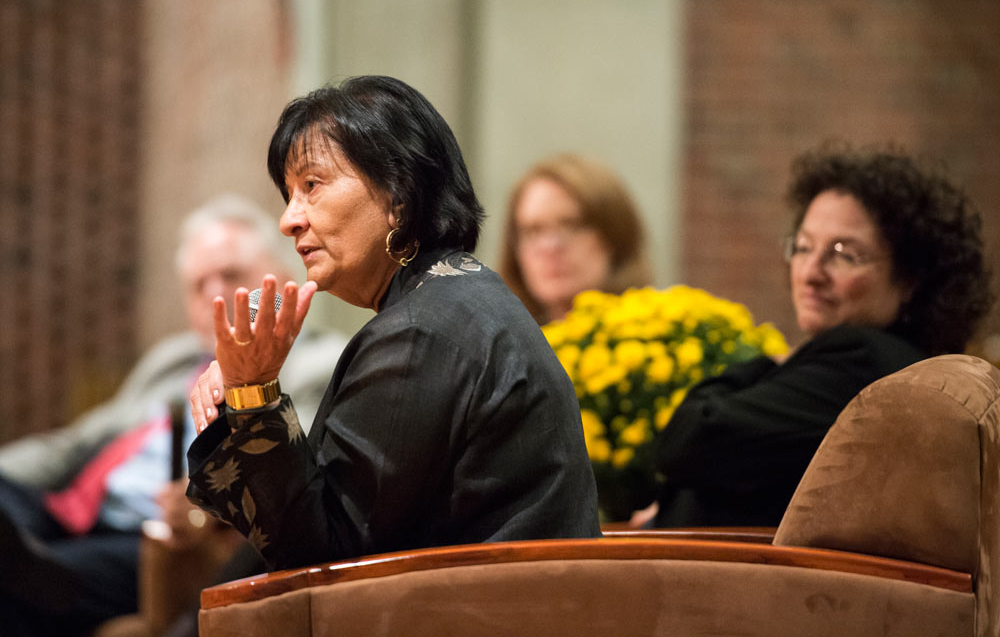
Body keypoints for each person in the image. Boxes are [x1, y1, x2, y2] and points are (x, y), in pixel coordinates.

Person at [186, 75, 601, 573]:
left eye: (312, 185)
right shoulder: (452, 299)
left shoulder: (421, 332)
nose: (289, 219)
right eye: (288, 193)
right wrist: (243, 399)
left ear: (398, 194)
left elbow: (320, 557)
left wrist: (253, 393)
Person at [0, 195, 346, 635]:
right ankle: (29, 566)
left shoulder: (319, 362)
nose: (214, 294)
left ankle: (38, 574)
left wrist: (204, 498)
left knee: (20, 587)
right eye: (198, 284)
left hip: (151, 536)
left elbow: (290, 468)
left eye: (231, 276)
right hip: (69, 509)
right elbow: (76, 444)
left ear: (282, 280)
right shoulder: (173, 359)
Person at [651, 145, 994, 528]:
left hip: (724, 579)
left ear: (911, 278)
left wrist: (768, 362)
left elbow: (689, 440)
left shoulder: (860, 360)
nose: (811, 272)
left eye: (844, 253)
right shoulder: (894, 363)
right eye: (803, 247)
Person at [498, 153, 653, 324]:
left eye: (571, 225)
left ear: (614, 235)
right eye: (533, 231)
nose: (550, 246)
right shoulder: (487, 345)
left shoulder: (664, 340)